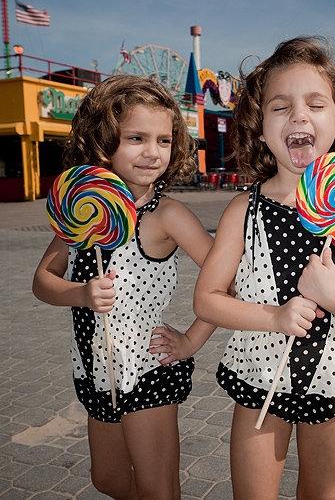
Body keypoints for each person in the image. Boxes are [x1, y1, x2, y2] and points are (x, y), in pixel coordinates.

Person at [194, 37, 335, 500]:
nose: (299, 116)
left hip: (334, 378)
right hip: (259, 377)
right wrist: (275, 317)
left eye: (316, 104)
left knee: (321, 493)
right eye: (280, 107)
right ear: (259, 128)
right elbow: (206, 299)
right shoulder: (245, 209)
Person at [33, 75, 215, 500]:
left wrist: (190, 339)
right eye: (136, 138)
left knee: (158, 489)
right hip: (96, 370)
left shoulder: (166, 215)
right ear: (103, 139)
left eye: (164, 140)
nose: (153, 152)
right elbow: (43, 280)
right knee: (109, 480)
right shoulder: (84, 212)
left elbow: (229, 279)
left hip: (146, 369)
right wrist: (79, 293)